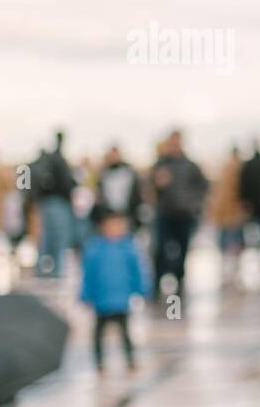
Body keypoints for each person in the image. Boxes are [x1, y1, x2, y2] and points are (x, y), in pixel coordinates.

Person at [80, 210, 150, 372]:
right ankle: (98, 361)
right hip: (101, 302)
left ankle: (130, 359)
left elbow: (137, 273)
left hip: (121, 301)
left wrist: (142, 290)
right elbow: (88, 275)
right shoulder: (94, 250)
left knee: (125, 332)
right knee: (98, 333)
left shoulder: (128, 249)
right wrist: (85, 294)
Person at [149, 130, 207, 303]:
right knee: (160, 250)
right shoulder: (161, 164)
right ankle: (157, 284)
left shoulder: (191, 165)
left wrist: (194, 204)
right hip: (165, 213)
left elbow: (203, 187)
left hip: (185, 215)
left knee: (182, 250)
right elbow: (150, 187)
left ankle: (179, 284)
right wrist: (158, 183)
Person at [29, 131, 75, 277]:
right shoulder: (57, 160)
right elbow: (66, 183)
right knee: (58, 237)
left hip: (46, 203)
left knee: (46, 237)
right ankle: (56, 271)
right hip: (57, 202)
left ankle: (41, 270)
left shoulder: (43, 162)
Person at [209, 146, 247, 281]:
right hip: (233, 209)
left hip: (225, 209)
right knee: (235, 238)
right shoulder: (239, 167)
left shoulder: (224, 167)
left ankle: (227, 265)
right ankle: (233, 266)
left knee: (225, 238)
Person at [92, 145, 144, 233]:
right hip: (109, 212)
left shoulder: (129, 172)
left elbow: (136, 192)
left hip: (126, 212)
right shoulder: (104, 173)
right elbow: (100, 193)